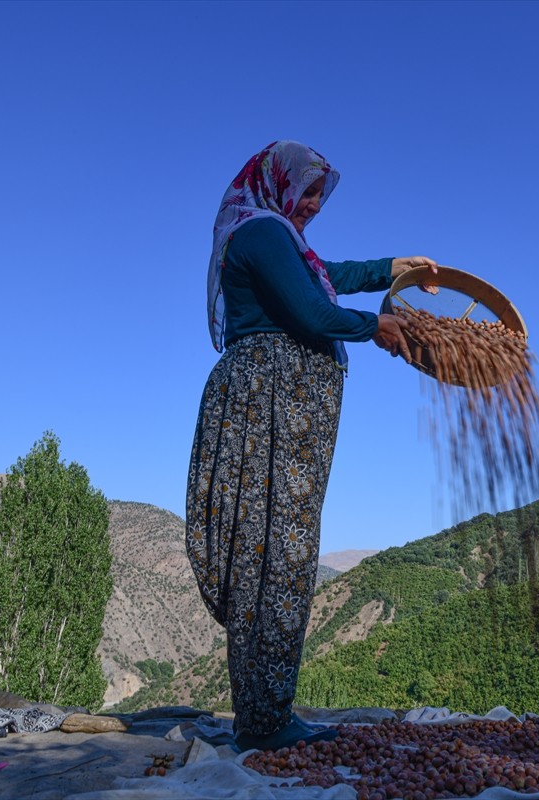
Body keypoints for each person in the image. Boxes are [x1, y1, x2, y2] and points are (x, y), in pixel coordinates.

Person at [185, 141, 436, 752]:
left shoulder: (274, 236)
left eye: (323, 195)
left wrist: (393, 268)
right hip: (272, 403)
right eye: (310, 191)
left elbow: (327, 276)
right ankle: (266, 722)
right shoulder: (262, 233)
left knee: (277, 551)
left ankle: (264, 715)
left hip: (285, 408)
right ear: (280, 182)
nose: (317, 205)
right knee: (276, 553)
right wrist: (374, 326)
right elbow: (311, 310)